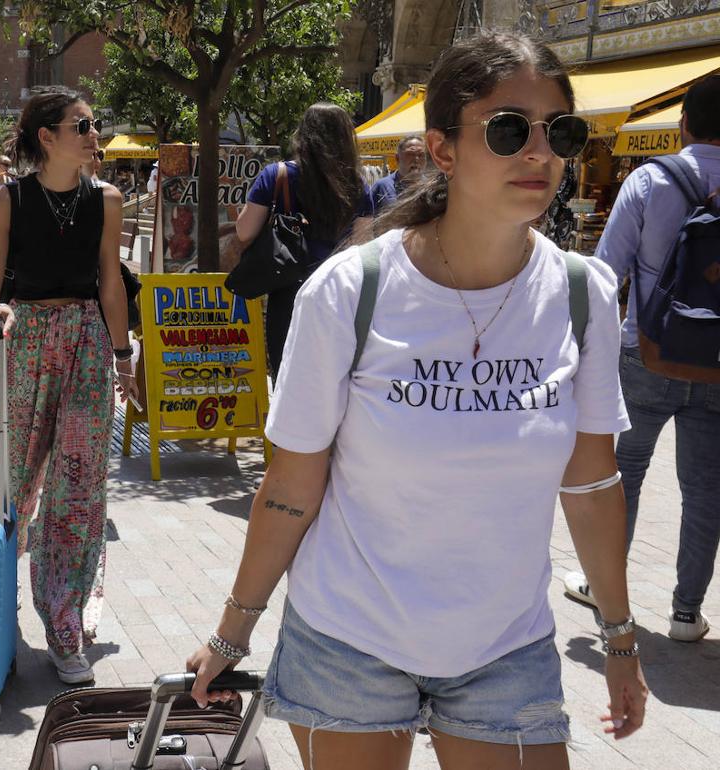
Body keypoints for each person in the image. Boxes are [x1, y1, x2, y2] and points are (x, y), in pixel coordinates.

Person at [186, 32, 647, 768]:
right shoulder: (352, 290)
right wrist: (231, 632)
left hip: (506, 647)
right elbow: (291, 486)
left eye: (559, 131)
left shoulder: (582, 294)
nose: (540, 153)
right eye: (507, 129)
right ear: (442, 149)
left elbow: (591, 484)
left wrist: (620, 639)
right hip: (349, 641)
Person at [0, 92, 138, 685]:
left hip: (88, 346)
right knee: (9, 483)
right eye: (84, 126)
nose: (96, 135)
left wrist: (123, 357)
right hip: (25, 341)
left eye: (96, 125)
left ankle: (65, 625)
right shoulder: (7, 200)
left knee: (78, 487)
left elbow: (111, 286)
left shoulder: (108, 200)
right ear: (47, 137)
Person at [563, 73, 720, 642]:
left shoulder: (650, 180)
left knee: (623, 472)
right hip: (718, 364)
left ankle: (607, 597)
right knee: (705, 488)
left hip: (645, 353)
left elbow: (606, 275)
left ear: (684, 125)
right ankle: (686, 612)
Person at [235, 103, 374, 380]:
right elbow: (362, 245)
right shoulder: (358, 185)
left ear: (303, 135)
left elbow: (244, 232)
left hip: (288, 291)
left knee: (288, 378)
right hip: (340, 294)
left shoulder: (277, 176)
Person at [371, 135, 428, 213]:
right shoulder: (382, 187)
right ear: (397, 158)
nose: (416, 159)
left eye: (421, 155)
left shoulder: (432, 188)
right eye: (410, 154)